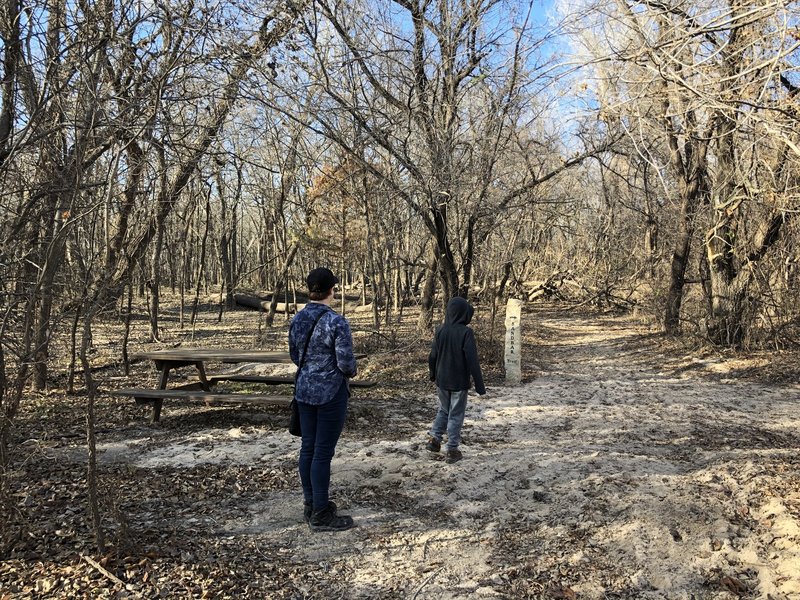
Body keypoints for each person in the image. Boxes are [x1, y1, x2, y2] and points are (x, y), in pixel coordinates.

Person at [289, 267, 357, 532]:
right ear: (332, 290)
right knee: (322, 453)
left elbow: (295, 355)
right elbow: (346, 362)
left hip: (304, 390)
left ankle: (311, 504)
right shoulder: (336, 322)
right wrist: (350, 372)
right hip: (330, 393)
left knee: (308, 448)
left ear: (310, 289)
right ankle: (320, 513)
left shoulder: (297, 319)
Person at [425, 296, 486, 464]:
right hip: (459, 382)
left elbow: (433, 356)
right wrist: (480, 386)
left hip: (442, 380)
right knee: (456, 414)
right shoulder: (466, 332)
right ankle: (452, 449)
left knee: (444, 410)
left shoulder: (440, 330)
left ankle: (434, 439)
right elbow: (472, 360)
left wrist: (433, 374)